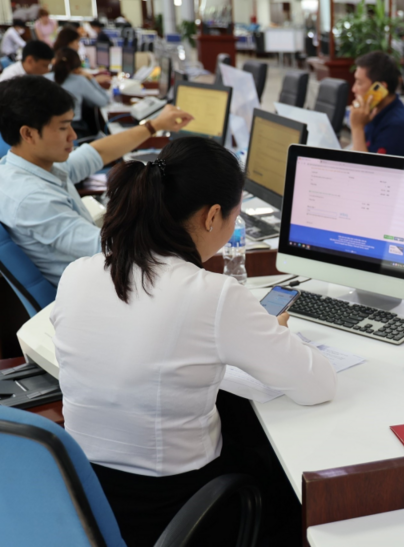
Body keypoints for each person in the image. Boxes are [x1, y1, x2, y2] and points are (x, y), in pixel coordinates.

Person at [51, 136, 338, 546]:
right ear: (212, 215)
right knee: (287, 486)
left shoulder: (77, 273)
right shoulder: (212, 295)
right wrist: (274, 333)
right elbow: (318, 386)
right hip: (178, 509)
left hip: (88, 498)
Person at [0, 75, 194, 286]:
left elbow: (98, 152)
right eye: (63, 127)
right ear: (28, 134)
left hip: (97, 269)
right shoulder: (32, 198)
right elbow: (111, 247)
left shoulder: (26, 166)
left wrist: (154, 125)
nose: (73, 135)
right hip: (93, 288)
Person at [350, 51, 404, 158]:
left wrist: (357, 128)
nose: (353, 89)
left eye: (359, 83)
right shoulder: (374, 111)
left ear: (380, 88)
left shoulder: (396, 128)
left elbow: (364, 168)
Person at [47, 48, 110, 137]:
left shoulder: (43, 78)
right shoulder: (79, 80)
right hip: (74, 128)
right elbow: (103, 101)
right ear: (77, 68)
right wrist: (91, 78)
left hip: (47, 129)